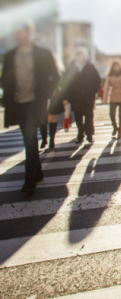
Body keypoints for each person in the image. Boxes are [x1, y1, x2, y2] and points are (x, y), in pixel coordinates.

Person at [1, 22, 59, 193]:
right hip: (18, 103)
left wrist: (46, 95)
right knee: (29, 139)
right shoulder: (11, 55)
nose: (18, 36)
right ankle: (38, 171)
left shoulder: (43, 53)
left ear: (29, 32)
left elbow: (55, 77)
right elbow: (5, 79)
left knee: (30, 138)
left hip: (35, 102)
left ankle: (30, 179)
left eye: (20, 32)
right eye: (15, 33)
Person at [61, 49, 101, 145]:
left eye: (81, 56)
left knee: (89, 116)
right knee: (78, 117)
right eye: (78, 56)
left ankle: (89, 135)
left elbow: (97, 80)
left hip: (88, 97)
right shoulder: (71, 68)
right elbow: (66, 83)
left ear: (85, 57)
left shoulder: (90, 67)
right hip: (76, 98)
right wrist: (67, 97)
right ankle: (80, 134)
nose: (80, 58)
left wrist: (93, 91)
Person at [103, 59, 121, 139]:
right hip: (113, 97)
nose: (116, 67)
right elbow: (107, 88)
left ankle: (120, 130)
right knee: (112, 114)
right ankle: (115, 127)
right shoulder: (110, 76)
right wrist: (105, 99)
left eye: (118, 65)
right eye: (115, 66)